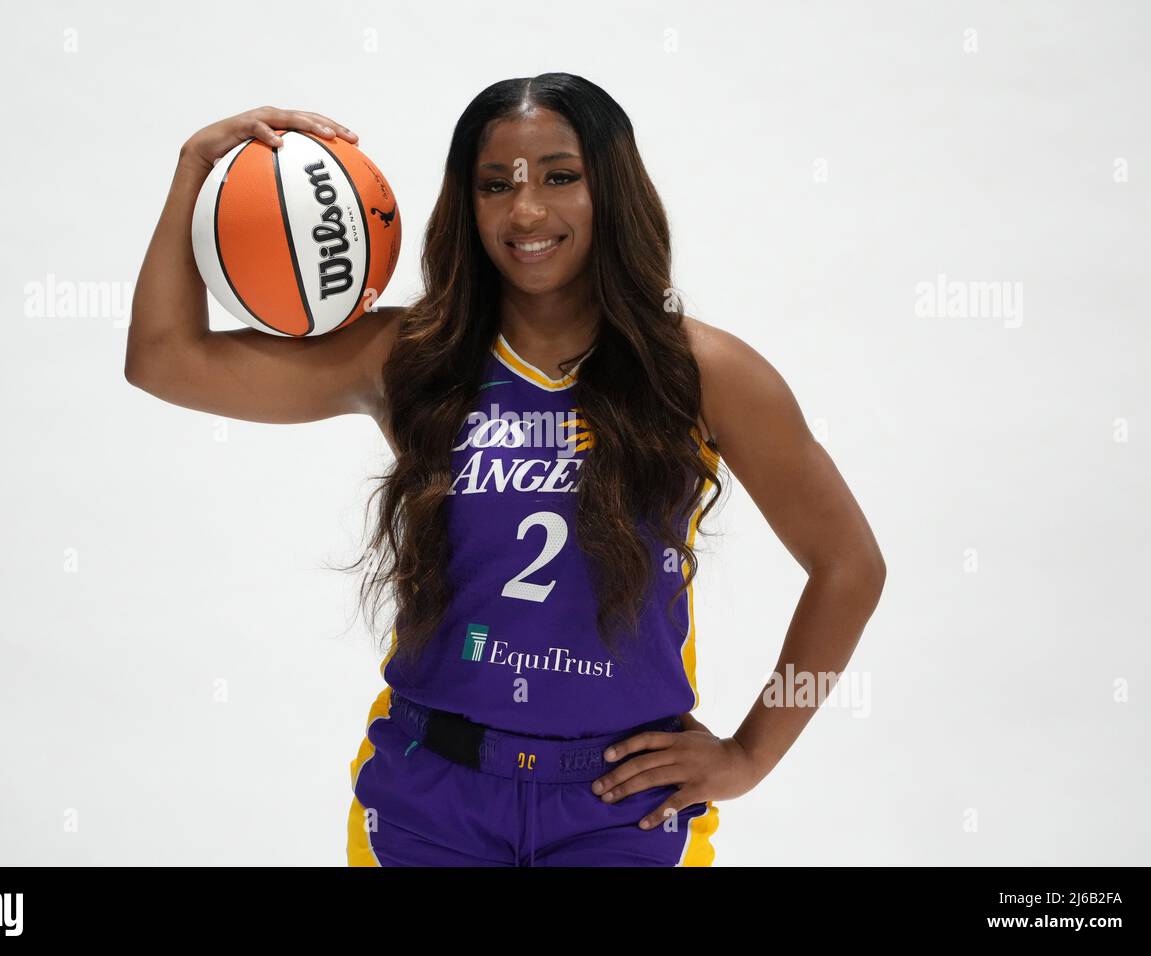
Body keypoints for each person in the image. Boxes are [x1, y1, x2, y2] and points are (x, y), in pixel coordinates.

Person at [126, 73, 886, 867]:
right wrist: (191, 171)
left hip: (621, 810)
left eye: (561, 177)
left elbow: (849, 567)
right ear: (469, 204)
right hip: (429, 799)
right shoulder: (412, 358)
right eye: (496, 185)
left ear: (612, 189)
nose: (526, 211)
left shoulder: (703, 372)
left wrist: (751, 755)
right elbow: (164, 359)